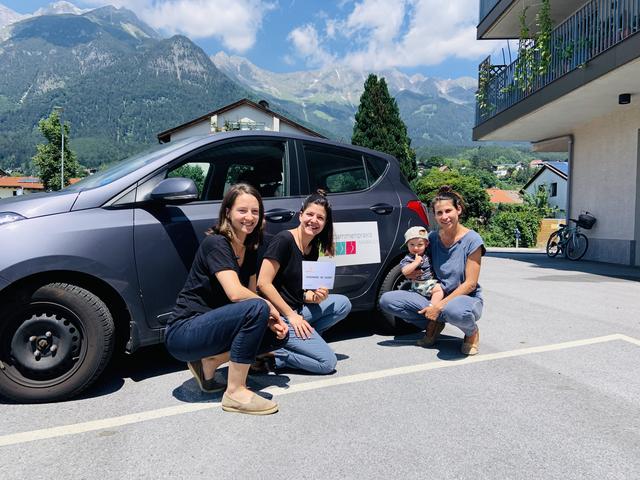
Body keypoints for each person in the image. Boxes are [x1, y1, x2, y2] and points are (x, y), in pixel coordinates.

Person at [164, 183, 289, 415]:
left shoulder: (250, 248)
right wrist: (270, 307)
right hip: (184, 332)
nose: (249, 217)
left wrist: (270, 319)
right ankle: (235, 392)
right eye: (242, 210)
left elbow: (250, 294)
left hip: (214, 329)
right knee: (259, 308)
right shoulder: (216, 243)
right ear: (228, 212)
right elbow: (235, 293)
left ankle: (209, 364)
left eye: (255, 211)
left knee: (279, 334)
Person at [380, 186, 485, 355]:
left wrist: (439, 306)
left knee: (454, 311)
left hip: (464, 299)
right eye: (439, 213)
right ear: (434, 216)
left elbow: (470, 284)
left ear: (458, 210)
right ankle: (434, 324)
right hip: (434, 294)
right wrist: (409, 272)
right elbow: (413, 256)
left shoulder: (472, 240)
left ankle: (471, 333)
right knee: (388, 300)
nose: (444, 217)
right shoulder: (432, 238)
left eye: (448, 211)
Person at [257, 191, 352, 374]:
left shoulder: (312, 248)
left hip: (298, 309)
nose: (314, 220)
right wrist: (291, 316)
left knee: (343, 304)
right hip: (280, 316)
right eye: (309, 214)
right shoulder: (284, 239)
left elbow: (299, 291)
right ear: (301, 215)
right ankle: (275, 354)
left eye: (320, 217)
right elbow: (263, 283)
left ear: (325, 223)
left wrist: (315, 296)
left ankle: (304, 340)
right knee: (327, 363)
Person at [399, 225, 444, 303]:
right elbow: (405, 271)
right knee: (439, 290)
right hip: (419, 284)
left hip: (428, 282)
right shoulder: (409, 258)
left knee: (440, 289)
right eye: (412, 244)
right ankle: (432, 307)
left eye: (420, 245)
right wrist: (415, 263)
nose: (416, 248)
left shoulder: (426, 254)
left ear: (426, 244)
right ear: (407, 245)